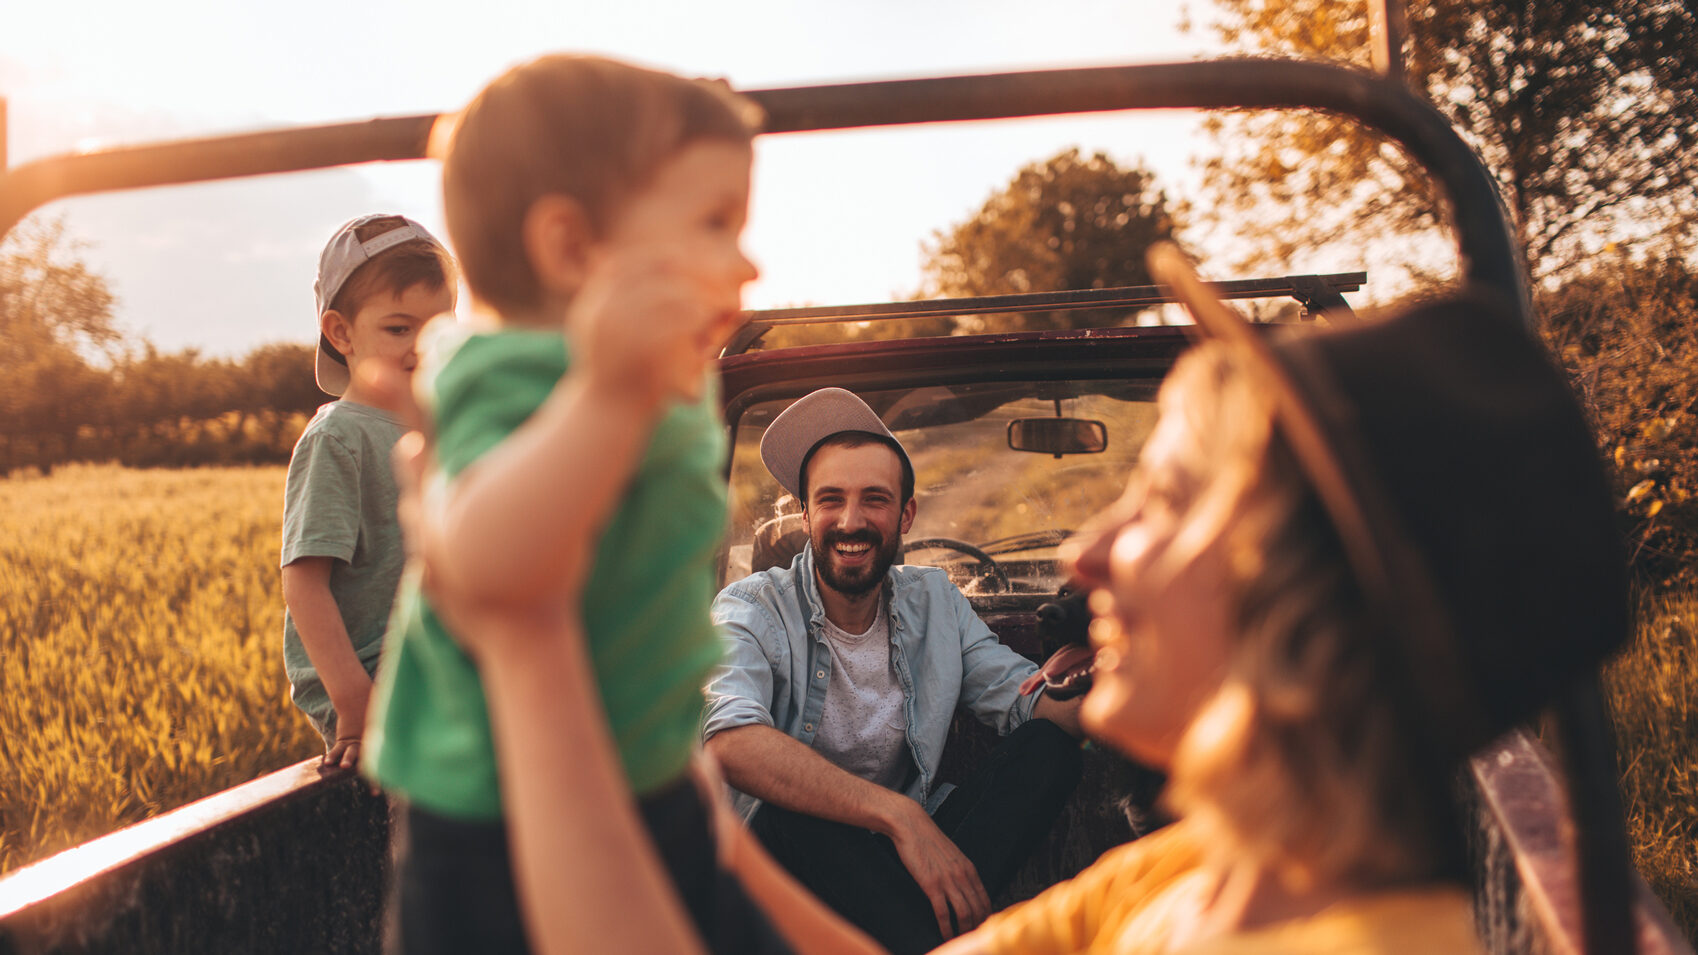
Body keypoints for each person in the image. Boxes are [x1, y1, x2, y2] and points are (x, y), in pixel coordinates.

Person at [415, 242, 1632, 955]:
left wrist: (527, 659)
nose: (1089, 556)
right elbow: (730, 745)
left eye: (1163, 501)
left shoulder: (1310, 927)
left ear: (1308, 597)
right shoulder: (1199, 871)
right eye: (830, 501)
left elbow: (1012, 701)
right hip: (822, 850)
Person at [360, 55, 800, 955]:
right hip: (500, 833)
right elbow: (481, 559)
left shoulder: (658, 381)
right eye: (714, 223)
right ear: (570, 248)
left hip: (649, 784)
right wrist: (603, 398)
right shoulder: (514, 376)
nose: (748, 261)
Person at [704, 387, 1087, 954]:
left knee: (1047, 748)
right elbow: (731, 741)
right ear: (805, 513)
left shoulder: (935, 601)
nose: (850, 521)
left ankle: (918, 938)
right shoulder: (750, 607)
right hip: (783, 874)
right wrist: (898, 815)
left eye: (874, 500)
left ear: (906, 514)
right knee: (786, 813)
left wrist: (1110, 675)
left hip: (892, 866)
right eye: (830, 500)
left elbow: (1025, 700)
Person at [280, 213, 453, 768]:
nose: (421, 347)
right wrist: (356, 703)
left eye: (439, 327)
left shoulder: (439, 428)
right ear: (341, 333)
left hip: (442, 659)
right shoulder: (338, 437)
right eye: (399, 329)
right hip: (376, 677)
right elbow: (305, 583)